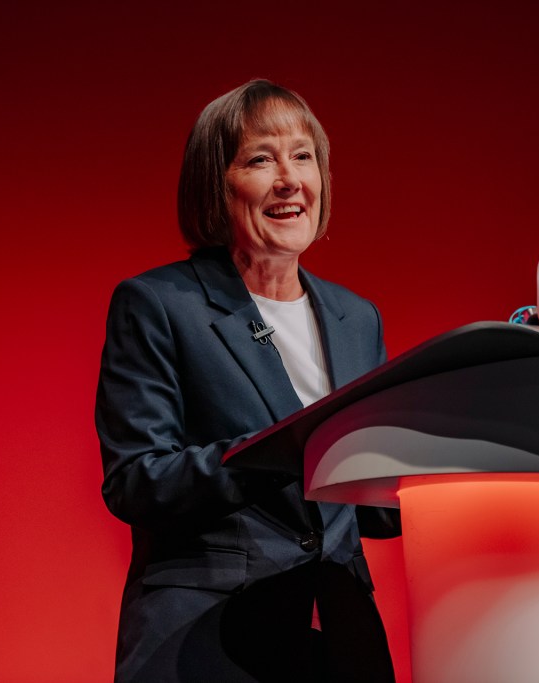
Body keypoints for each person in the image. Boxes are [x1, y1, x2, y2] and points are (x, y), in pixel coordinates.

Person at [95, 79, 398, 683]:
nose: (290, 179)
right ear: (217, 184)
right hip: (206, 639)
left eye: (303, 155)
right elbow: (135, 480)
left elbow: (375, 513)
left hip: (339, 640)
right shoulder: (160, 304)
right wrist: (273, 452)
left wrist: (431, 466)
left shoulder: (355, 318)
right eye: (261, 158)